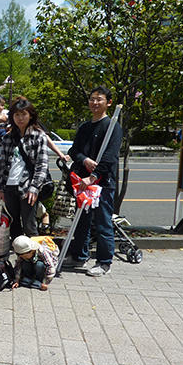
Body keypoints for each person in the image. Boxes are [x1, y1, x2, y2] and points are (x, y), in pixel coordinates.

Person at [64, 86, 123, 277]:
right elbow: (74, 151)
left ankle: (104, 262)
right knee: (81, 219)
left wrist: (94, 176)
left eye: (99, 99)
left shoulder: (112, 127)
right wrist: (84, 160)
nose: (95, 103)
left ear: (108, 102)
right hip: (83, 181)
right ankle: (79, 255)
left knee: (102, 222)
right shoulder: (85, 127)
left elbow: (110, 157)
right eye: (92, 99)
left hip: (102, 183)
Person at [0, 97, 50, 240]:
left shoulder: (38, 136)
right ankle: (20, 259)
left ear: (30, 115)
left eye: (23, 114)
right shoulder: (8, 138)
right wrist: (0, 188)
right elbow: (3, 164)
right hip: (9, 186)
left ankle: (35, 259)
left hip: (27, 186)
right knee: (13, 225)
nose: (20, 118)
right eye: (17, 115)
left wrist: (34, 187)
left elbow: (42, 165)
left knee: (29, 225)